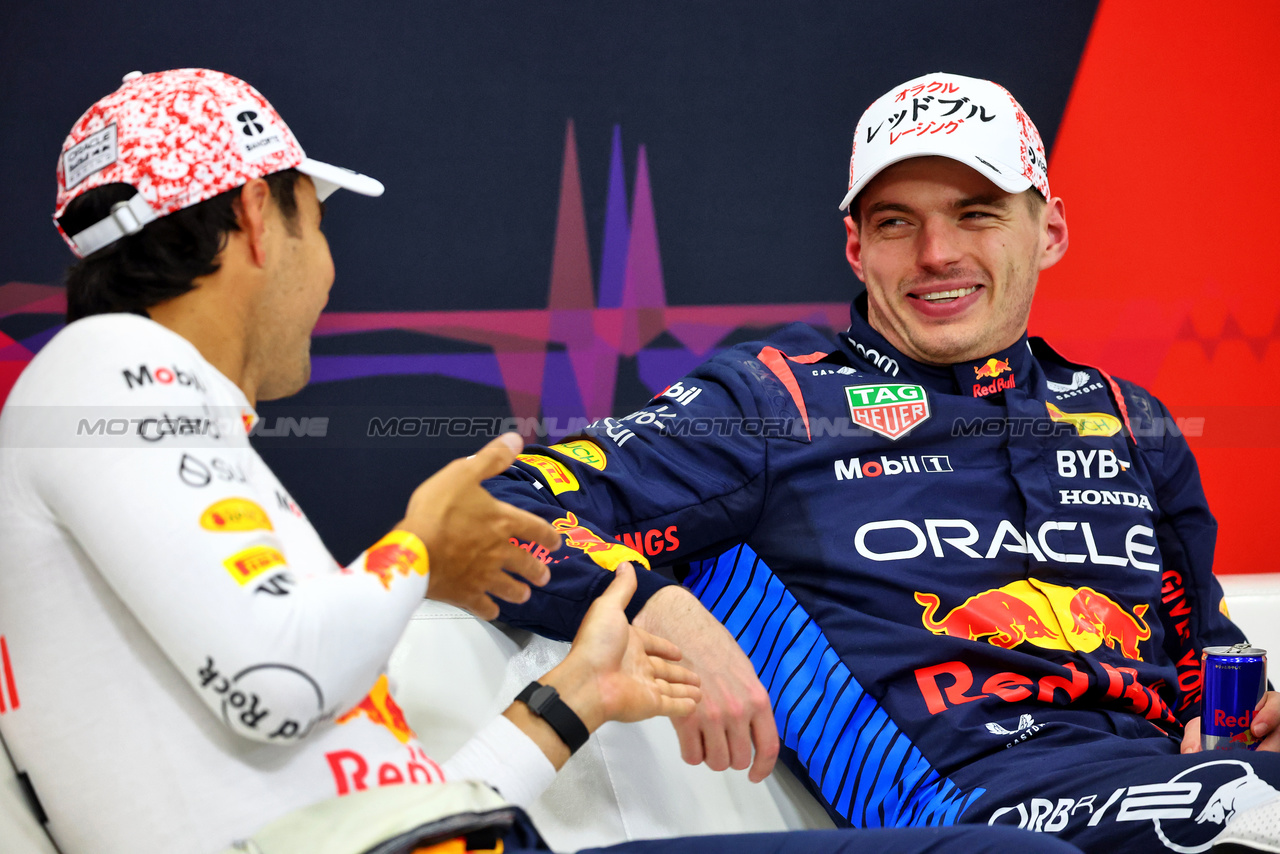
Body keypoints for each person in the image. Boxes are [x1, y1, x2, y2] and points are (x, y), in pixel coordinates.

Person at [0, 69, 1077, 854]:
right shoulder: (111, 366)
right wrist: (416, 547)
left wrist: (575, 696)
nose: (327, 270)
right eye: (317, 221)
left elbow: (398, 806)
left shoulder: (145, 407)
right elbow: (280, 684)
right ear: (252, 218)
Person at [484, 71, 1280, 853]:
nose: (937, 253)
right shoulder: (775, 404)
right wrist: (649, 605)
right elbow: (493, 510)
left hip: (1174, 793)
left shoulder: (1128, 420)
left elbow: (1204, 650)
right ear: (858, 248)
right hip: (976, 816)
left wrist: (1247, 713)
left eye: (976, 214)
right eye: (898, 223)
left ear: (1051, 232)